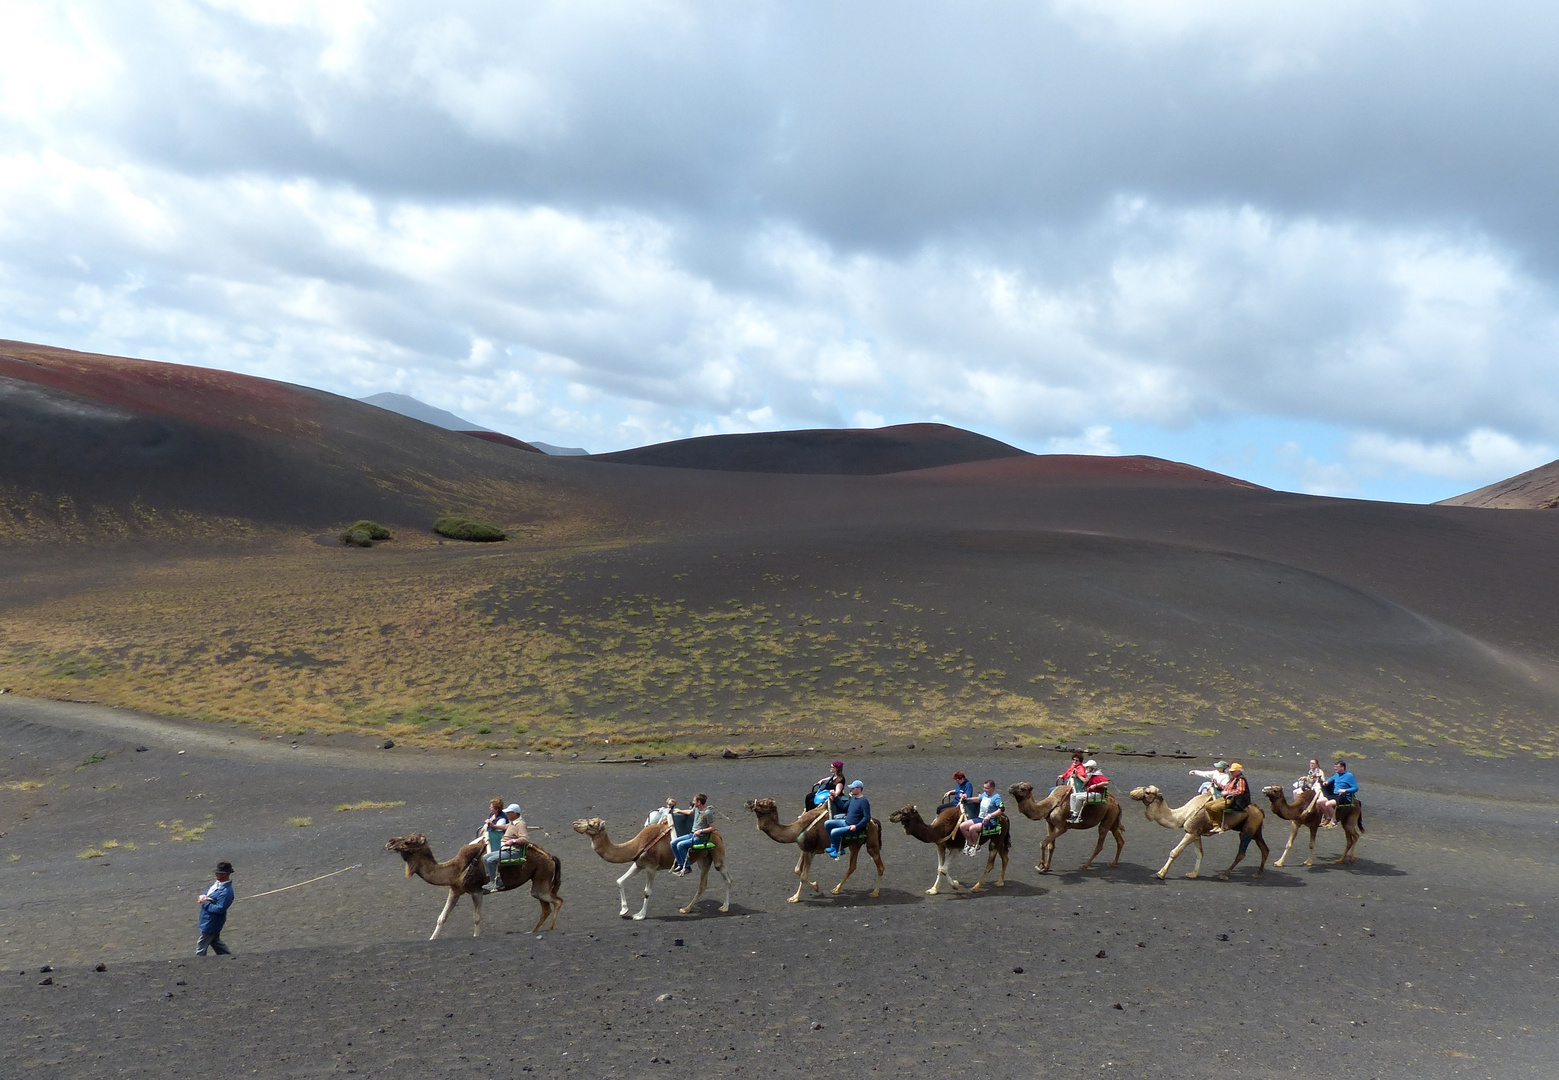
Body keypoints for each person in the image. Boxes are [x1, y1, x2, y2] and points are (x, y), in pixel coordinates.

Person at [482, 803, 528, 892]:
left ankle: (497, 883)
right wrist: (494, 826)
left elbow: (525, 839)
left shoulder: (520, 824)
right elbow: (505, 827)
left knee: (491, 860)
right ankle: (492, 879)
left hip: (514, 851)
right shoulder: (512, 823)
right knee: (485, 857)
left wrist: (513, 841)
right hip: (504, 849)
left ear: (514, 813)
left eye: (509, 813)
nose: (507, 814)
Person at [196, 861, 236, 957]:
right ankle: (228, 957)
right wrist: (203, 896)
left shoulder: (226, 891)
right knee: (216, 943)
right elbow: (208, 894)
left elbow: (220, 909)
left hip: (212, 922)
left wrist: (205, 903)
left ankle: (198, 962)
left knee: (201, 945)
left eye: (219, 873)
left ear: (226, 874)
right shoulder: (217, 885)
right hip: (207, 920)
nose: (216, 874)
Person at [824, 780, 871, 857]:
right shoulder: (853, 798)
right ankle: (834, 846)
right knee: (827, 823)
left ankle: (839, 850)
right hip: (846, 822)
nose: (850, 790)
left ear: (859, 789)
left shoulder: (864, 801)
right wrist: (835, 797)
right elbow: (843, 807)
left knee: (834, 832)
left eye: (853, 788)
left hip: (852, 827)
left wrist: (856, 826)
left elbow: (867, 817)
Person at [958, 779, 1004, 855]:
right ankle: (970, 844)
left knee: (972, 828)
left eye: (986, 788)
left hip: (990, 821)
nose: (984, 789)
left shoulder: (997, 797)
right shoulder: (985, 794)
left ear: (992, 788)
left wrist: (990, 815)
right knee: (963, 826)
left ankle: (976, 846)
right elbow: (978, 799)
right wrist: (967, 799)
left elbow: (1001, 810)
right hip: (980, 818)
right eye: (984, 787)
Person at [672, 794, 714, 874]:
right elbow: (690, 812)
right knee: (673, 843)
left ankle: (687, 867)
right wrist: (679, 811)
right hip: (692, 834)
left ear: (699, 802)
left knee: (680, 845)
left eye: (694, 800)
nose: (693, 802)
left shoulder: (708, 813)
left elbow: (712, 827)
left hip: (700, 837)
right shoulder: (696, 809)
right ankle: (680, 864)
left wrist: (700, 831)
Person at [1206, 763, 1250, 834]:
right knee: (1207, 805)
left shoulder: (1241, 779)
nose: (1231, 772)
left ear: (1238, 771)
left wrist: (1228, 792)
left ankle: (1223, 825)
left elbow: (1241, 791)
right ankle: (1216, 826)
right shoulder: (1233, 779)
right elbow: (1225, 788)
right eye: (1231, 771)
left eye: (1233, 771)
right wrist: (1218, 784)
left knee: (1214, 808)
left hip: (1234, 800)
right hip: (1226, 798)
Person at [1327, 760, 1359, 828]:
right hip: (1335, 795)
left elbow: (1355, 788)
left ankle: (1334, 821)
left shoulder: (1349, 776)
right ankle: (1327, 818)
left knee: (1328, 804)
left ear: (1342, 767)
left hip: (1344, 796)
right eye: (1335, 767)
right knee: (1320, 801)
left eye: (1337, 767)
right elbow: (1331, 779)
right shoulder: (1337, 774)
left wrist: (1345, 790)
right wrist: (1327, 782)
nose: (1335, 768)